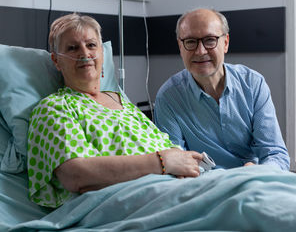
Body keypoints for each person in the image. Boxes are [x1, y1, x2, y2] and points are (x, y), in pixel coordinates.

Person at [26, 13, 203, 208]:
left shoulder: (123, 103)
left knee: (241, 182)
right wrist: (161, 162)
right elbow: (75, 175)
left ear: (102, 53)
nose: (85, 54)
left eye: (91, 45)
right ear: (57, 61)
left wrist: (183, 160)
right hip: (131, 200)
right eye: (72, 48)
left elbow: (168, 150)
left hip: (178, 186)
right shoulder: (54, 108)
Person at [154, 8, 290, 171]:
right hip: (206, 187)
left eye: (210, 40)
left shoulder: (253, 84)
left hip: (255, 181)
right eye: (190, 41)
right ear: (180, 47)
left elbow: (276, 154)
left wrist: (258, 172)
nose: (200, 51)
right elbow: (175, 164)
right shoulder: (169, 98)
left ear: (225, 43)